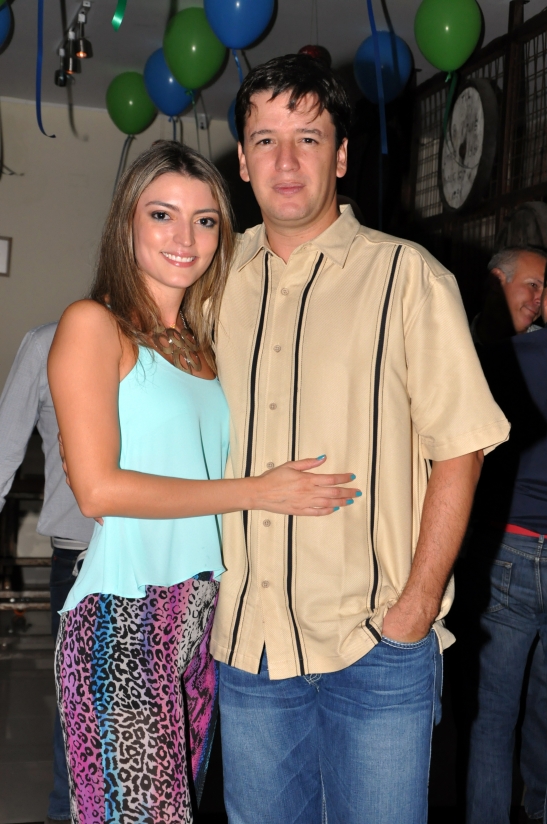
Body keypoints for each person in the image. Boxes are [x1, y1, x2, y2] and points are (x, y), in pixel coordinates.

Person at [209, 54, 510, 824]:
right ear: (241, 159)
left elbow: (460, 448)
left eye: (307, 139)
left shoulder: (408, 278)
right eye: (265, 140)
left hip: (372, 648)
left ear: (340, 156)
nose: (285, 161)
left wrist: (411, 613)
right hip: (248, 648)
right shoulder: (212, 282)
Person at [47, 141, 355, 824]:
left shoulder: (203, 346)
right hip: (123, 622)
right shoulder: (94, 325)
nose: (184, 238)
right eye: (162, 215)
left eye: (206, 220)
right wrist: (256, 490)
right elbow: (98, 490)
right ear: (127, 223)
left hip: (202, 622)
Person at [456, 249, 547, 824]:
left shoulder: (484, 362)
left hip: (504, 549)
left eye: (544, 289)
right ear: (498, 282)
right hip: (506, 547)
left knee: (491, 717)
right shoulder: (478, 356)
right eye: (531, 284)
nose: (537, 298)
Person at [0, 322, 93, 824]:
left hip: (182, 567)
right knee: (81, 721)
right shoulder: (49, 342)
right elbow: (3, 449)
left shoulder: (184, 342)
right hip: (83, 558)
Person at [472, 247, 545, 344]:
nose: (542, 300)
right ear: (496, 281)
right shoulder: (454, 336)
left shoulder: (543, 346)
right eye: (533, 285)